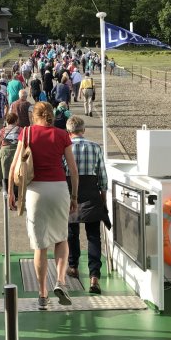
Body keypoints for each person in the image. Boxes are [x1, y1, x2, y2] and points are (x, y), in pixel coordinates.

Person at [7, 102, 79, 311]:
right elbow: (73, 170)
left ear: (34, 116)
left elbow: (15, 165)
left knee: (40, 245)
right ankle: (61, 281)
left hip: (35, 192)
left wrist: (11, 191)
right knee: (61, 238)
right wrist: (74, 196)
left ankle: (42, 294)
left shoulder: (27, 133)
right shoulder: (62, 135)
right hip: (58, 189)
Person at [64, 116, 110, 294]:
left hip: (71, 194)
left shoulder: (65, 148)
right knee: (93, 236)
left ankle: (73, 266)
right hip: (92, 193)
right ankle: (94, 276)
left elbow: (62, 171)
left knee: (71, 233)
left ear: (68, 132)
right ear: (83, 130)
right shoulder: (95, 147)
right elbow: (102, 176)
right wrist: (103, 199)